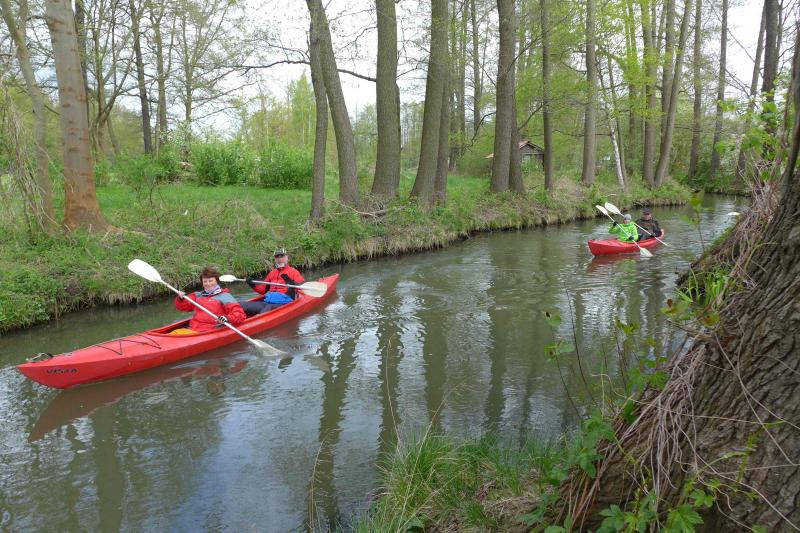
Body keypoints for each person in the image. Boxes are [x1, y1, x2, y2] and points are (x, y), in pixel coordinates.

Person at [172, 266, 246, 334]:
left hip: (212, 329)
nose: (208, 284)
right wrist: (181, 299)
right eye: (205, 281)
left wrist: (227, 318)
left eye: (210, 281)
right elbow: (183, 307)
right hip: (193, 327)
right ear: (202, 283)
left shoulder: (225, 297)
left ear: (216, 281)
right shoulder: (197, 295)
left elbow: (240, 314)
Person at [241, 248, 306, 316]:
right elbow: (262, 291)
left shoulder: (293, 272)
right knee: (242, 304)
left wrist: (291, 283)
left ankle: (259, 318)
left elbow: (302, 286)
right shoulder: (272, 273)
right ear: (275, 259)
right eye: (277, 257)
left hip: (284, 303)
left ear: (287, 258)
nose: (279, 259)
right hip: (268, 302)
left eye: (282, 256)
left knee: (268, 307)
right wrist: (252, 284)